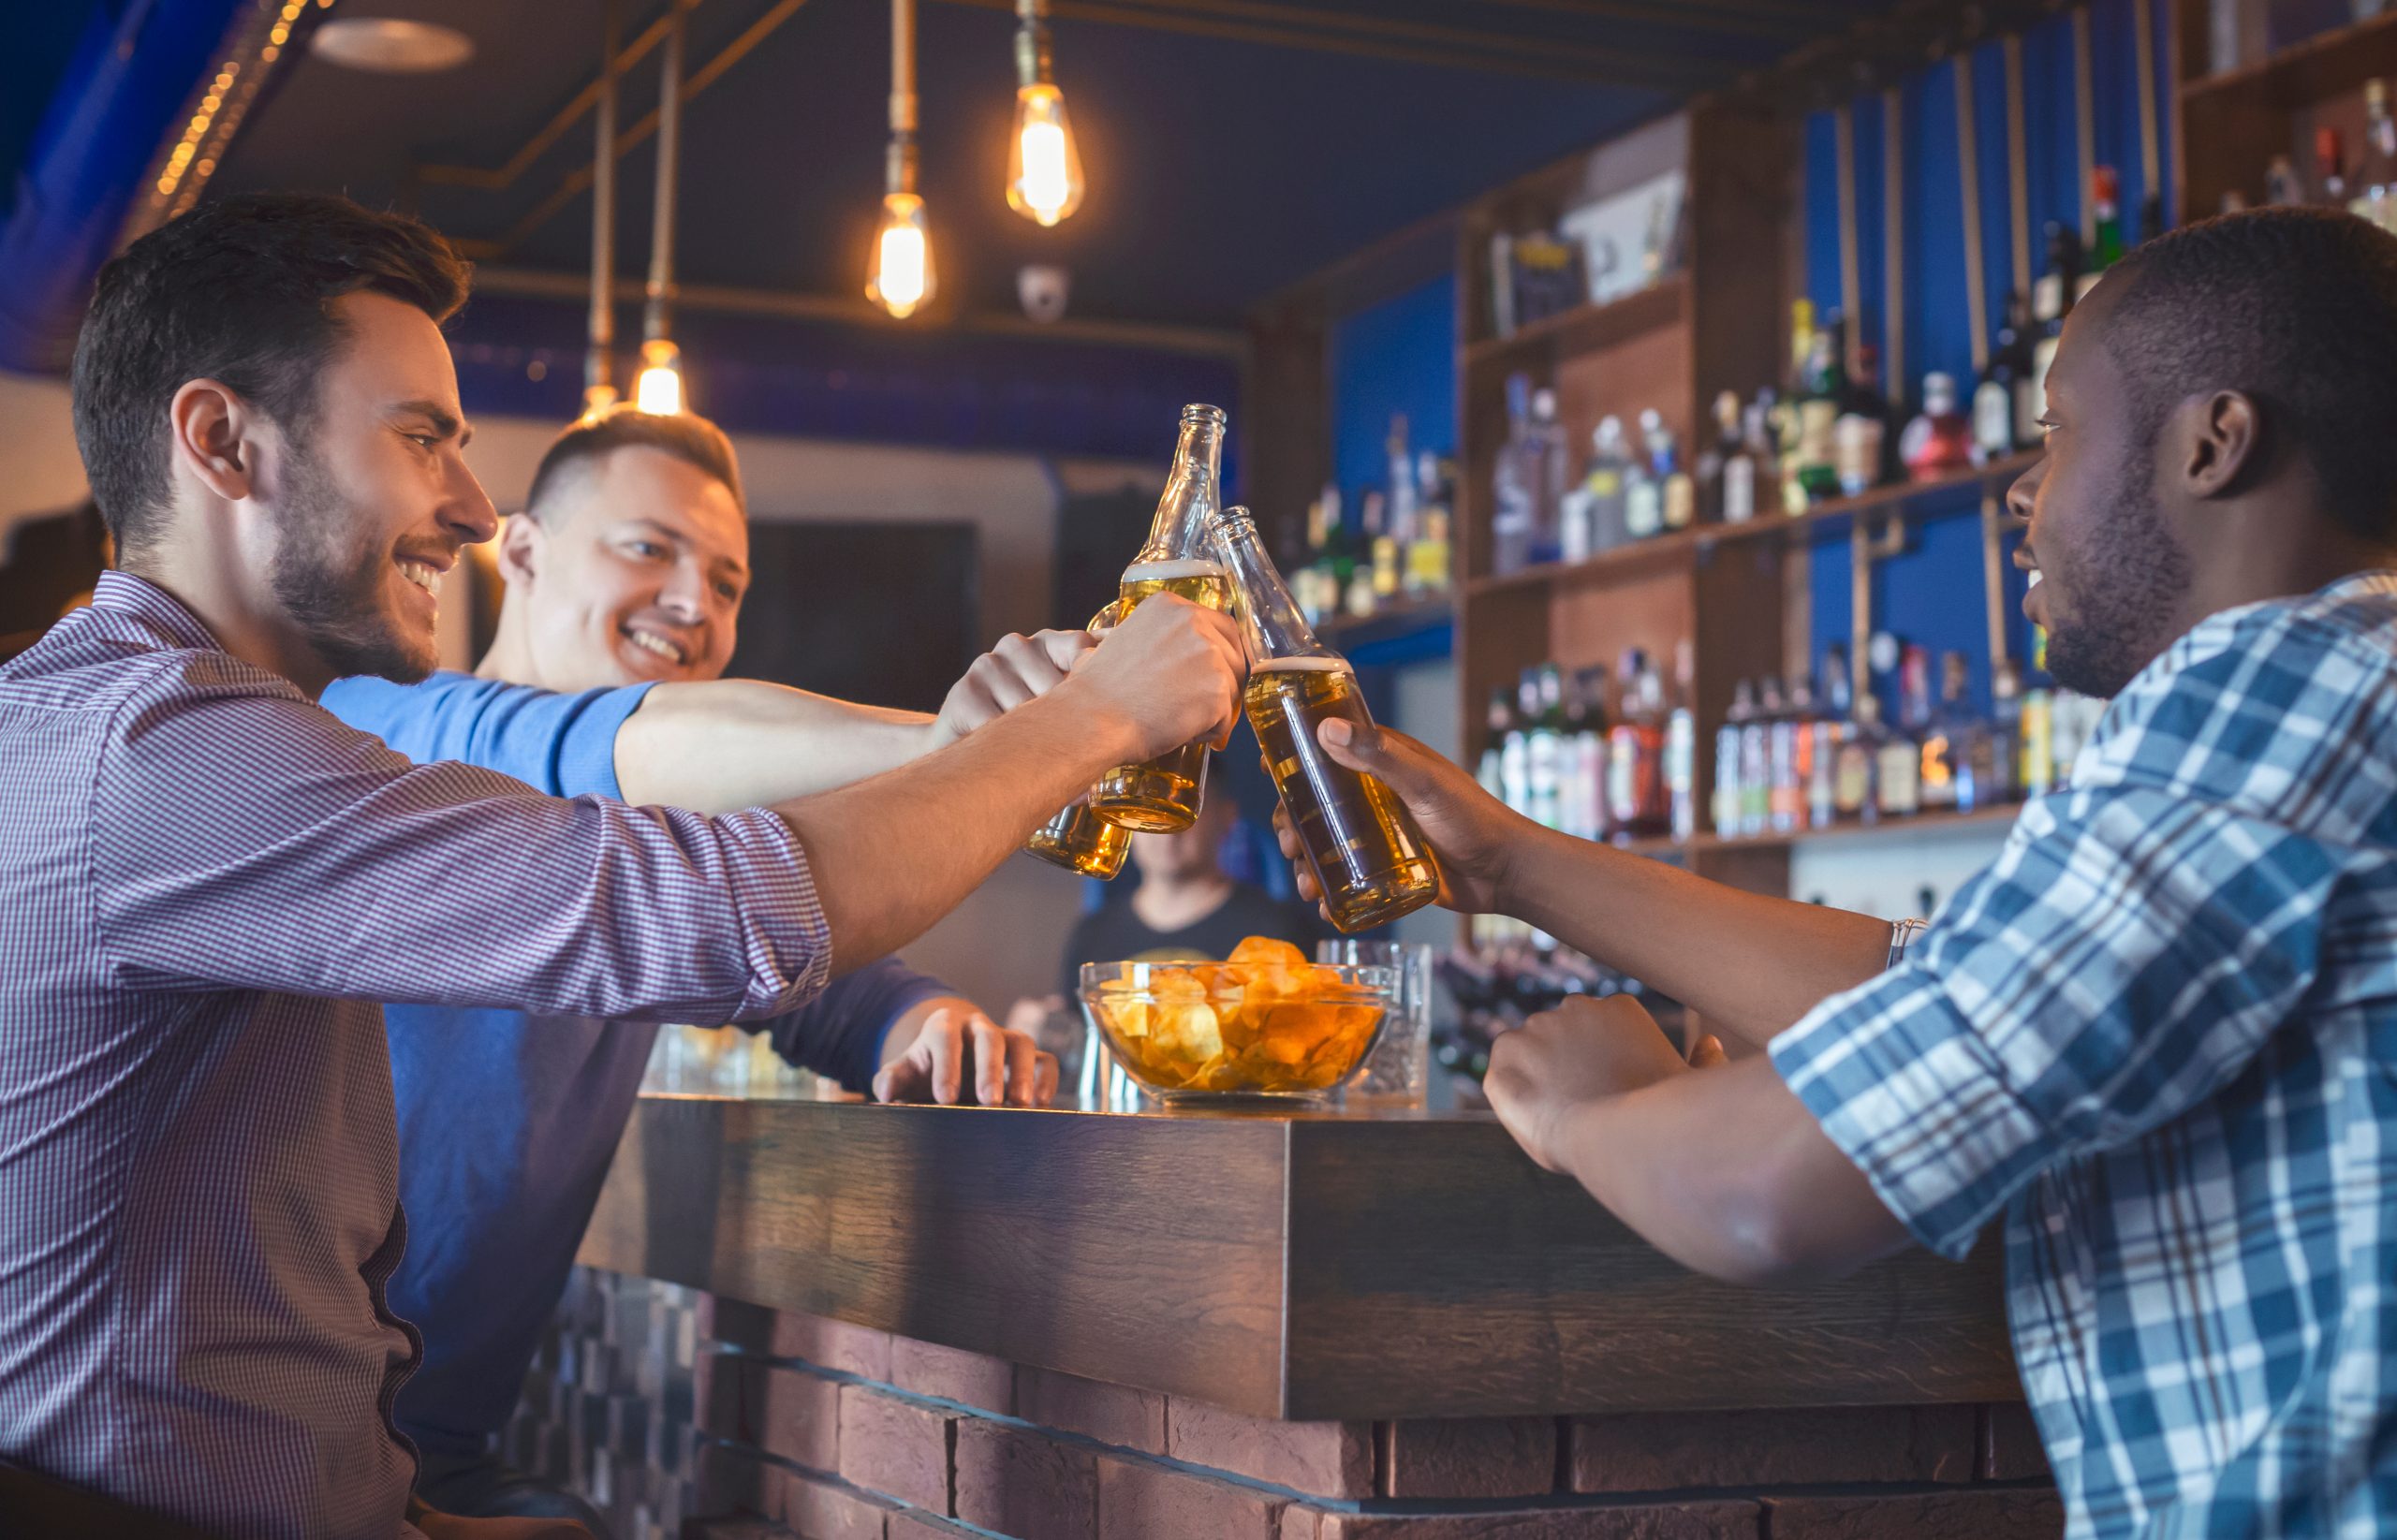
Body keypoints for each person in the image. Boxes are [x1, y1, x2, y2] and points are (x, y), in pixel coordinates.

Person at [0, 191, 1245, 1540]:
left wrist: (913, 994)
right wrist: (1082, 724)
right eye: (423, 438)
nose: (471, 508)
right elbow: (693, 892)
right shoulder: (176, 751)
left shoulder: (131, 728)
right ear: (220, 441)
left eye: (725, 578)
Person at [1270, 206, 2397, 1537]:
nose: (2021, 490)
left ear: (2214, 441)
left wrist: (1591, 1113)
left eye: (2056, 428)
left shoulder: (2276, 687)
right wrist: (1510, 860)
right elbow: (1926, 990)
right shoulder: (2339, 692)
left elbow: (1770, 1194)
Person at [319, 405, 1080, 1530]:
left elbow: (823, 963)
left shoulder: (650, 831)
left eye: (727, 582)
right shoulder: (384, 727)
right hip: (277, 1456)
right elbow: (622, 746)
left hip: (430, 1448)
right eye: (648, 547)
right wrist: (1030, 740)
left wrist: (921, 1017)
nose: (695, 601)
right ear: (520, 551)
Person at [1040, 777, 1325, 1003]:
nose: (1163, 822)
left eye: (1185, 804)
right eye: (1147, 804)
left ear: (1226, 817)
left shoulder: (1279, 931)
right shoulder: (1093, 933)